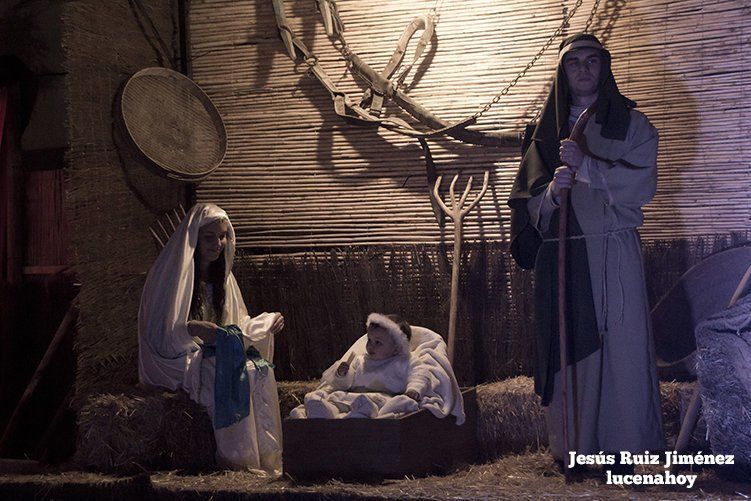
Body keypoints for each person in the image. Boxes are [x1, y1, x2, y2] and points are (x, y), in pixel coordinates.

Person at [507, 33, 665, 474]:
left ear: (604, 67)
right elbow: (526, 204)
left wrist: (587, 167)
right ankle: (576, 450)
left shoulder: (633, 124)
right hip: (564, 258)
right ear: (563, 71)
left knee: (622, 348)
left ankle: (625, 448)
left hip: (613, 254)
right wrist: (552, 196)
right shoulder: (542, 136)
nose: (582, 69)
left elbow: (642, 187)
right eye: (573, 62)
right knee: (571, 351)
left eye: (591, 61)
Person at [138, 203, 284, 475]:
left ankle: (266, 458)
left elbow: (237, 325)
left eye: (223, 236)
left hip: (215, 351)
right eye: (209, 237)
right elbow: (159, 335)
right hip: (177, 357)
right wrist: (190, 329)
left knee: (258, 371)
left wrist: (267, 323)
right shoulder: (174, 277)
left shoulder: (224, 280)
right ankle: (237, 460)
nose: (218, 243)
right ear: (193, 238)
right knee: (225, 371)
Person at [300, 313, 431, 419]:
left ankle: (357, 419)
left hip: (383, 399)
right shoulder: (360, 361)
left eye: (378, 342)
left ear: (397, 347)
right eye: (369, 340)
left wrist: (414, 389)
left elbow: (420, 374)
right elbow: (345, 384)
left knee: (402, 403)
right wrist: (342, 374)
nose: (370, 345)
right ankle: (324, 412)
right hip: (353, 397)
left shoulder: (405, 361)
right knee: (334, 397)